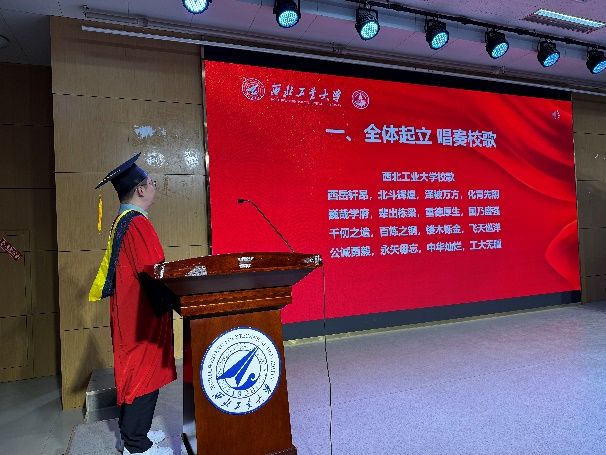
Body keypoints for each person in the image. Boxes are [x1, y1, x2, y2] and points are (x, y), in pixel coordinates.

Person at [89, 153, 176, 455]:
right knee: (143, 374)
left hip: (132, 310)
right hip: (141, 314)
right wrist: (175, 299)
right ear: (140, 189)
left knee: (138, 372)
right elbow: (153, 271)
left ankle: (138, 435)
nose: (154, 187)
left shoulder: (123, 220)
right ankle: (136, 446)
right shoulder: (136, 223)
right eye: (152, 183)